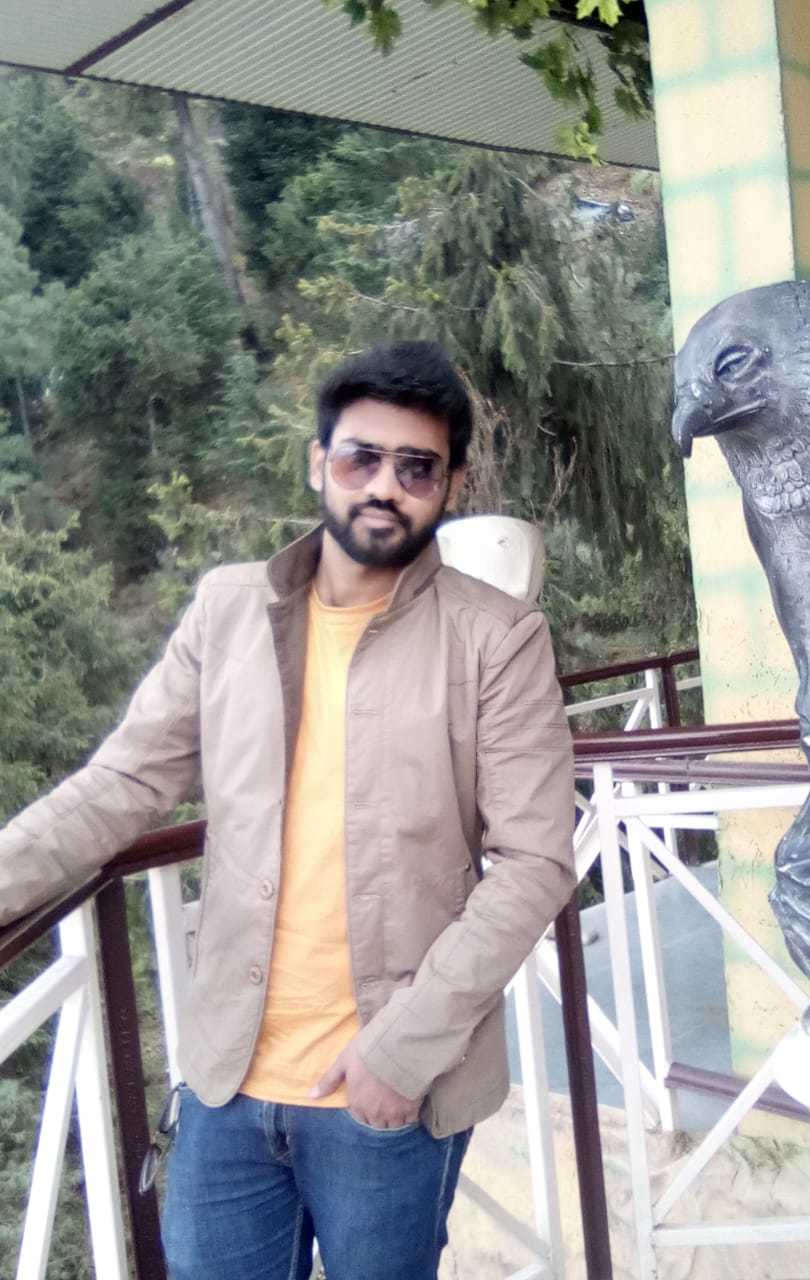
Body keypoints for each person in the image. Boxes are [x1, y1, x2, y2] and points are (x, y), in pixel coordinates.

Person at [0, 340, 576, 1280]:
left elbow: (535, 862)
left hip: (388, 1087)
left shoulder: (496, 638)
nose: (384, 486)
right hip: (227, 1080)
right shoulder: (229, 609)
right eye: (361, 459)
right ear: (318, 463)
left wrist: (400, 1054)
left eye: (417, 467)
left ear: (452, 484)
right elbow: (126, 782)